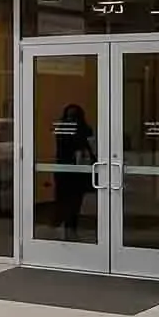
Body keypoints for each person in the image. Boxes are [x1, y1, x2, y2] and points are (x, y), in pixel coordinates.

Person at [53, 103, 97, 241]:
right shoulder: (79, 129)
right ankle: (69, 229)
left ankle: (68, 229)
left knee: (67, 202)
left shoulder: (63, 129)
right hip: (74, 171)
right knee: (73, 202)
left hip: (67, 171)